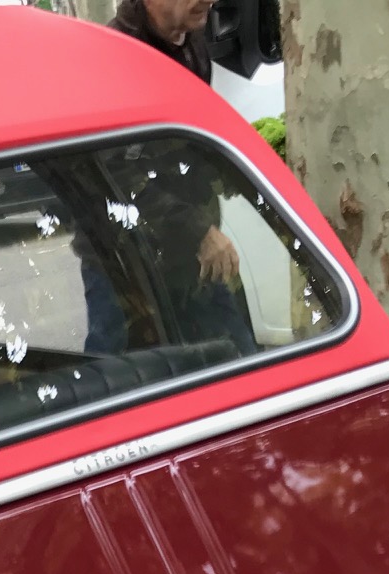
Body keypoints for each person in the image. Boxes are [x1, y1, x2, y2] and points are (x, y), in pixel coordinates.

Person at [79, 0, 249, 354]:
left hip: (189, 254)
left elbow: (194, 141)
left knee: (240, 358)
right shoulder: (109, 58)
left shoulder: (194, 44)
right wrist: (199, 232)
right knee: (115, 377)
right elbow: (112, 175)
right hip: (123, 260)